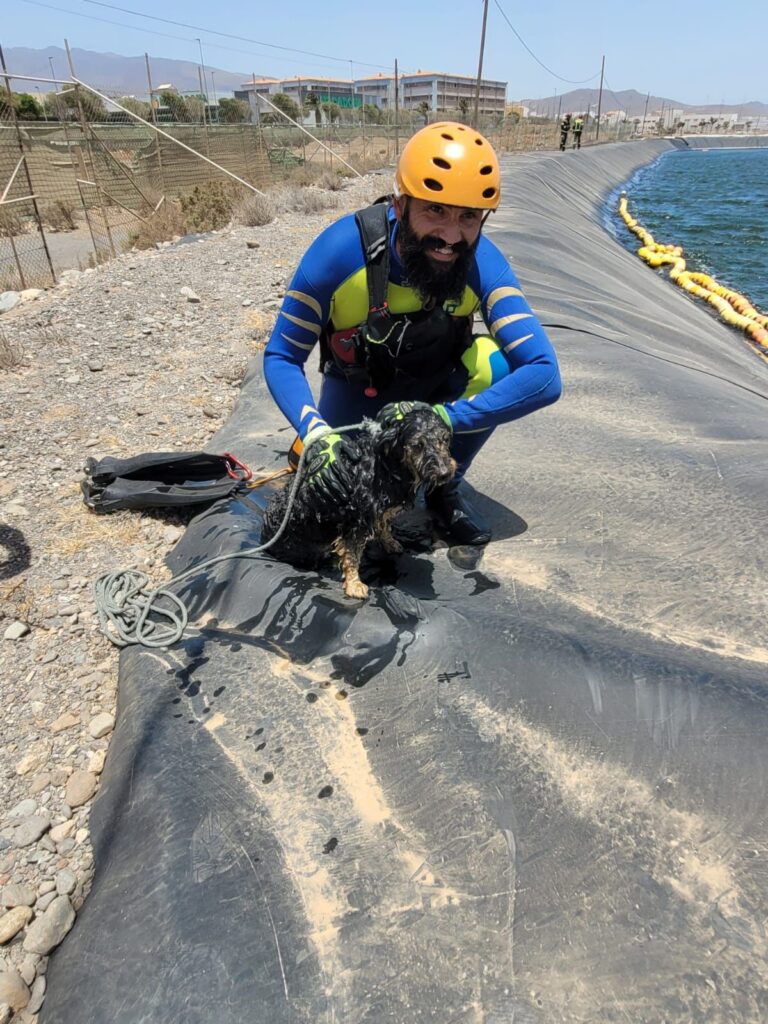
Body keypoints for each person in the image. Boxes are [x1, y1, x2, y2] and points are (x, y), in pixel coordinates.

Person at [263, 121, 561, 546]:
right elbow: (281, 356)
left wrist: (442, 417)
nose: (450, 236)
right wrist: (313, 433)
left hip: (435, 401)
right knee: (332, 497)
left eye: (469, 217)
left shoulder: (483, 265)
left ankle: (442, 489)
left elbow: (545, 374)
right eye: (434, 210)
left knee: (495, 362)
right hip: (357, 401)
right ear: (400, 206)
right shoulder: (338, 253)